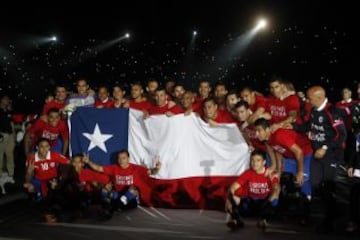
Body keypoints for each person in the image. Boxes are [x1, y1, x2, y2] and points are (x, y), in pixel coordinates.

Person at [295, 86, 347, 233]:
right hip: (317, 156)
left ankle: (331, 222)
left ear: (318, 98)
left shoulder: (333, 112)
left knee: (328, 187)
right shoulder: (313, 110)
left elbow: (341, 135)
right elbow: (308, 127)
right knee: (315, 184)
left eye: (309, 98)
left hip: (331, 155)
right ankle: (332, 216)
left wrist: (324, 147)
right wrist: (293, 126)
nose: (307, 101)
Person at [82, 149, 161, 218]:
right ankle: (107, 208)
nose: (121, 160)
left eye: (123, 158)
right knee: (105, 190)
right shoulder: (114, 168)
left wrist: (157, 168)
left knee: (133, 188)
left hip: (131, 200)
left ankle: (111, 210)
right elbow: (99, 168)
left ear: (128, 159)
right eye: (119, 158)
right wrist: (88, 161)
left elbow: (151, 172)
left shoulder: (136, 168)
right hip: (118, 195)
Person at [225, 151, 280, 230]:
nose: (254, 163)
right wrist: (228, 199)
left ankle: (264, 220)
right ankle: (236, 220)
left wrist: (268, 202)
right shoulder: (248, 172)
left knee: (275, 198)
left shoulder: (270, 173)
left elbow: (276, 189)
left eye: (258, 160)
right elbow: (233, 187)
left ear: (264, 162)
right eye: (252, 160)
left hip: (265, 203)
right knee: (232, 196)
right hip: (251, 203)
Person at [0, 95, 15, 185]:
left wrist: (14, 135)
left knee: (10, 154)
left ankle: (11, 174)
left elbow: (11, 123)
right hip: (1, 135)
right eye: (5, 99)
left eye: (8, 99)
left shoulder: (8, 111)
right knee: (0, 155)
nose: (7, 101)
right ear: (1, 100)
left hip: (9, 135)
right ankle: (0, 175)